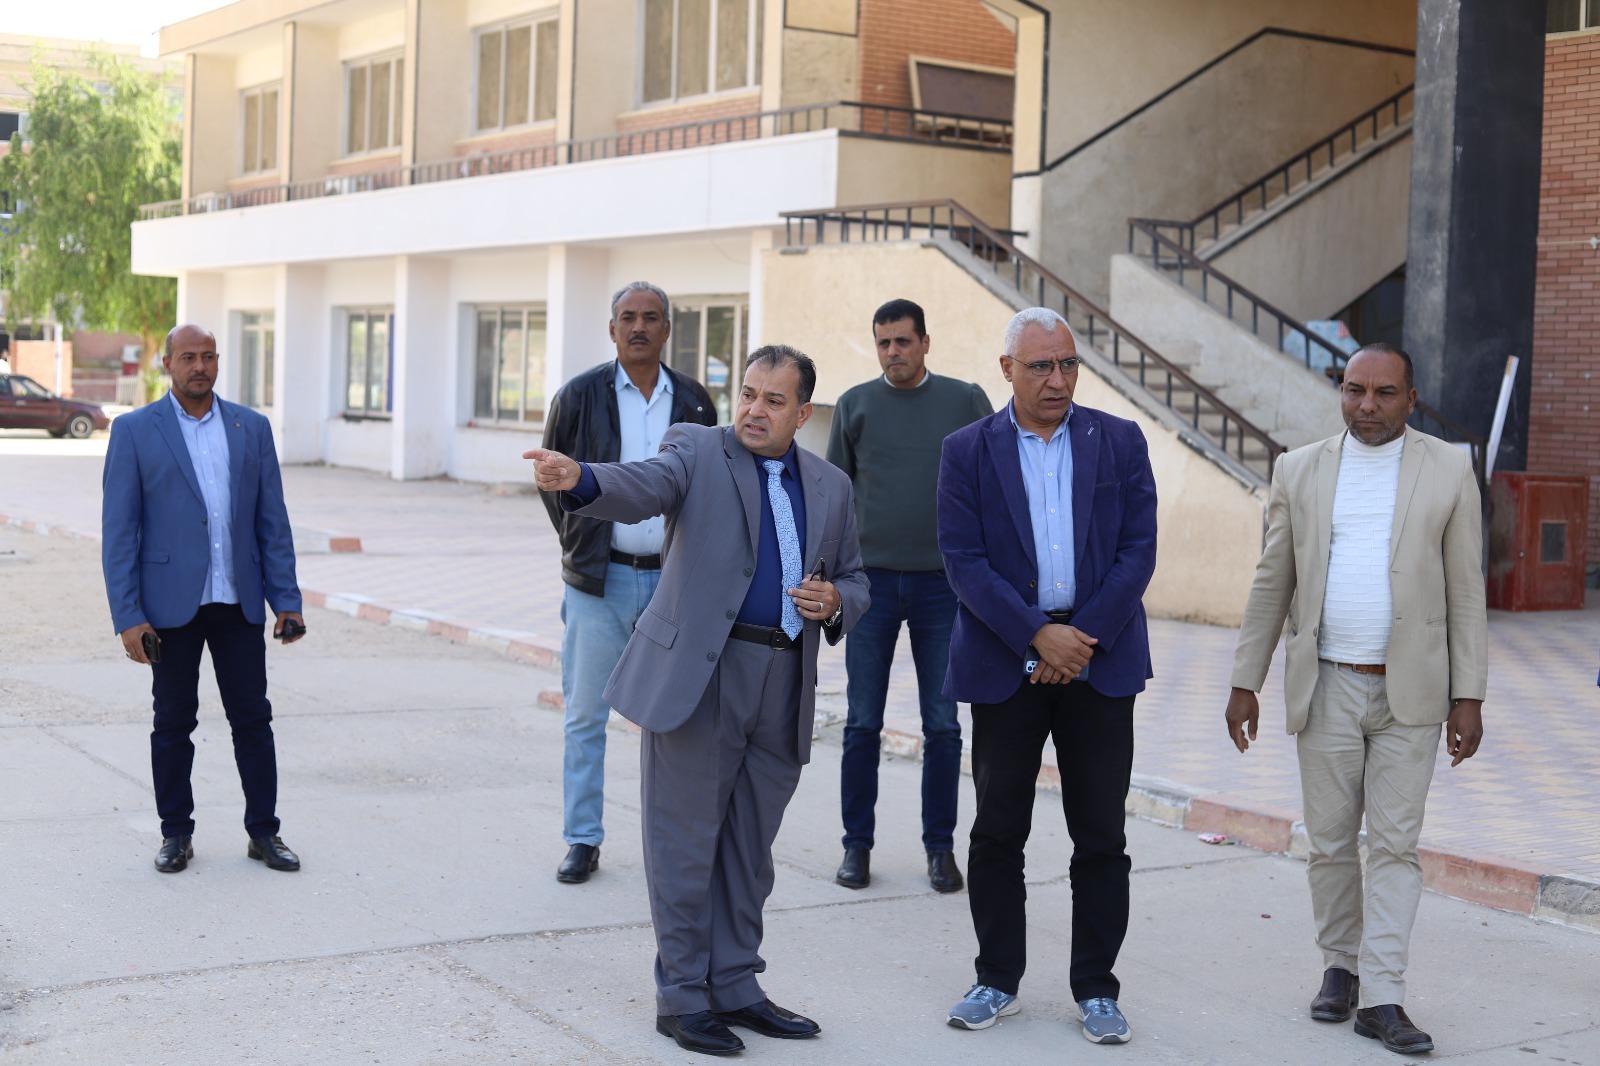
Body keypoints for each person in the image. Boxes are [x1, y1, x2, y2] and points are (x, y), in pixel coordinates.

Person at [525, 344, 869, 1057]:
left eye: (774, 400)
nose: (754, 410)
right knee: (684, 845)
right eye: (748, 393)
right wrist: (583, 478)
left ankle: (736, 985)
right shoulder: (697, 449)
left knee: (750, 850)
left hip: (785, 681)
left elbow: (858, 578)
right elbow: (644, 485)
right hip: (703, 676)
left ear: (804, 413)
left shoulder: (831, 485)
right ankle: (682, 997)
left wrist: (837, 599)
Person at [1224, 342, 1486, 1056]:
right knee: (1332, 841)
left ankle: (1384, 995)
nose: (1366, 406)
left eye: (1383, 393)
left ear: (1411, 399)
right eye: (1353, 390)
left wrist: (1469, 694)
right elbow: (1272, 580)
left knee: (1396, 846)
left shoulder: (1448, 468)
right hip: (1327, 683)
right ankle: (1339, 966)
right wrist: (1245, 681)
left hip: (1413, 692)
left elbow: (1466, 590)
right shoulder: (1299, 469)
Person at [936, 307, 1156, 1045]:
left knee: (1101, 836)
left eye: (1067, 364)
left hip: (1099, 656)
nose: (1058, 380)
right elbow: (963, 561)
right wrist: (1037, 635)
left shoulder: (1119, 440)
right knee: (999, 830)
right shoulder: (966, 451)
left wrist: (1077, 640)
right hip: (1008, 661)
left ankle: (1096, 988)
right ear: (1007, 369)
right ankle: (996, 977)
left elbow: (1138, 549)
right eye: (1040, 366)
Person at [101, 323, 306, 875]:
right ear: (167, 363)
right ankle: (176, 833)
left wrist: (286, 601)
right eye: (189, 357)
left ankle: (264, 832)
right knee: (173, 723)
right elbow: (119, 533)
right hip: (169, 608)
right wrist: (128, 616)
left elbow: (273, 521)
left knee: (253, 721)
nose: (200, 366)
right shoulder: (135, 431)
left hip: (238, 602)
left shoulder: (251, 428)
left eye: (209, 356)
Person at [539, 281, 716, 884]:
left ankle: (676, 842)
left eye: (650, 317)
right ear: (611, 328)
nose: (639, 326)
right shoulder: (578, 396)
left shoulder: (694, 401)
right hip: (599, 582)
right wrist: (579, 543)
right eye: (627, 317)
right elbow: (552, 480)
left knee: (679, 719)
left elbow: (710, 487)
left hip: (672, 586)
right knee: (586, 716)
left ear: (667, 328)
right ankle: (582, 839)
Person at [827, 298, 992, 893]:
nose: (892, 352)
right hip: (869, 587)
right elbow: (835, 497)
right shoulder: (854, 405)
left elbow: (993, 484)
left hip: (942, 589)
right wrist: (833, 582)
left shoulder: (965, 401)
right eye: (883, 343)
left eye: (902, 341)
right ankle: (856, 847)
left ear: (925, 342)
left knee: (943, 725)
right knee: (861, 723)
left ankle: (940, 849)